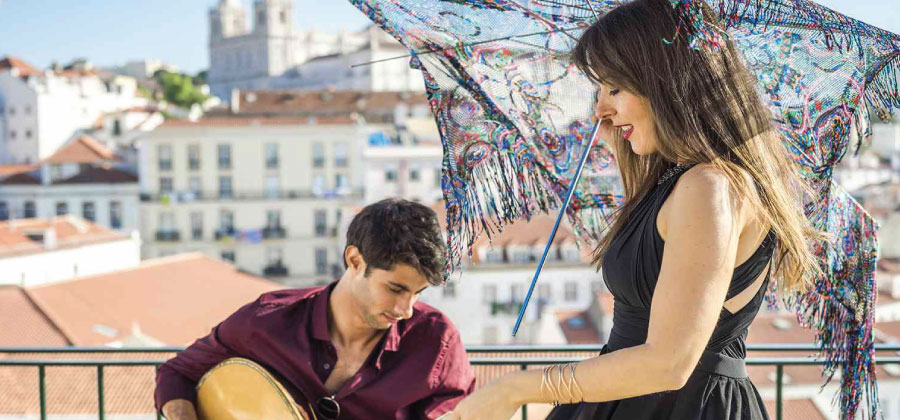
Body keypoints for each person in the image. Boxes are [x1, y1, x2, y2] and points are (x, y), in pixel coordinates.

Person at [439, 0, 824, 419]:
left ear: (664, 81)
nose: (599, 109)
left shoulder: (708, 186)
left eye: (614, 88)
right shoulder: (688, 181)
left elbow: (669, 363)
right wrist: (623, 147)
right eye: (598, 90)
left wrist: (515, 389)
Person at [155, 198, 476, 420]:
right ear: (354, 260)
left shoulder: (438, 342)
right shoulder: (265, 320)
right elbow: (177, 373)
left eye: (418, 293)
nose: (406, 309)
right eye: (395, 289)